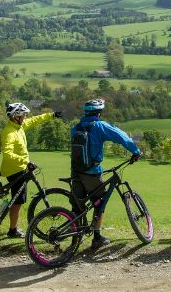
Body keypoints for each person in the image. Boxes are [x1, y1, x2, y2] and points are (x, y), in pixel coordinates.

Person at [70, 98, 141, 250]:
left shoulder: (75, 128)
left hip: (76, 172)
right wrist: (135, 151)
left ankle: (74, 240)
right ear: (99, 113)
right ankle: (97, 238)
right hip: (92, 173)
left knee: (77, 206)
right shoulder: (100, 126)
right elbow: (121, 136)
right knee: (99, 201)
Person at [0, 102, 61, 238]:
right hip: (15, 170)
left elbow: (34, 120)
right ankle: (12, 230)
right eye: (23, 115)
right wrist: (26, 161)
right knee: (18, 201)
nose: (25, 117)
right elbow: (7, 154)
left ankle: (11, 226)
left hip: (20, 168)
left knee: (17, 200)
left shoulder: (19, 126)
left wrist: (51, 115)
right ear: (16, 116)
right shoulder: (9, 132)